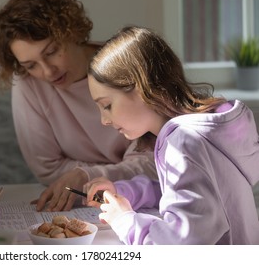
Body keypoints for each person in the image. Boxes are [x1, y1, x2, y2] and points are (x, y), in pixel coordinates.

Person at [0, 0, 157, 212]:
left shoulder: (123, 65)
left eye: (51, 52)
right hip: (97, 200)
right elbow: (46, 169)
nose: (47, 71)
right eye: (31, 65)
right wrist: (115, 171)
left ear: (71, 33)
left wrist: (85, 175)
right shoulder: (28, 83)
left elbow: (154, 160)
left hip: (140, 194)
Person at [84, 25, 259, 244]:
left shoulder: (184, 143)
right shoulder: (201, 133)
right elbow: (181, 196)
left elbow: (180, 244)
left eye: (107, 105)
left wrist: (123, 220)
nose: (104, 120)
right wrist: (123, 192)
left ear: (141, 88)